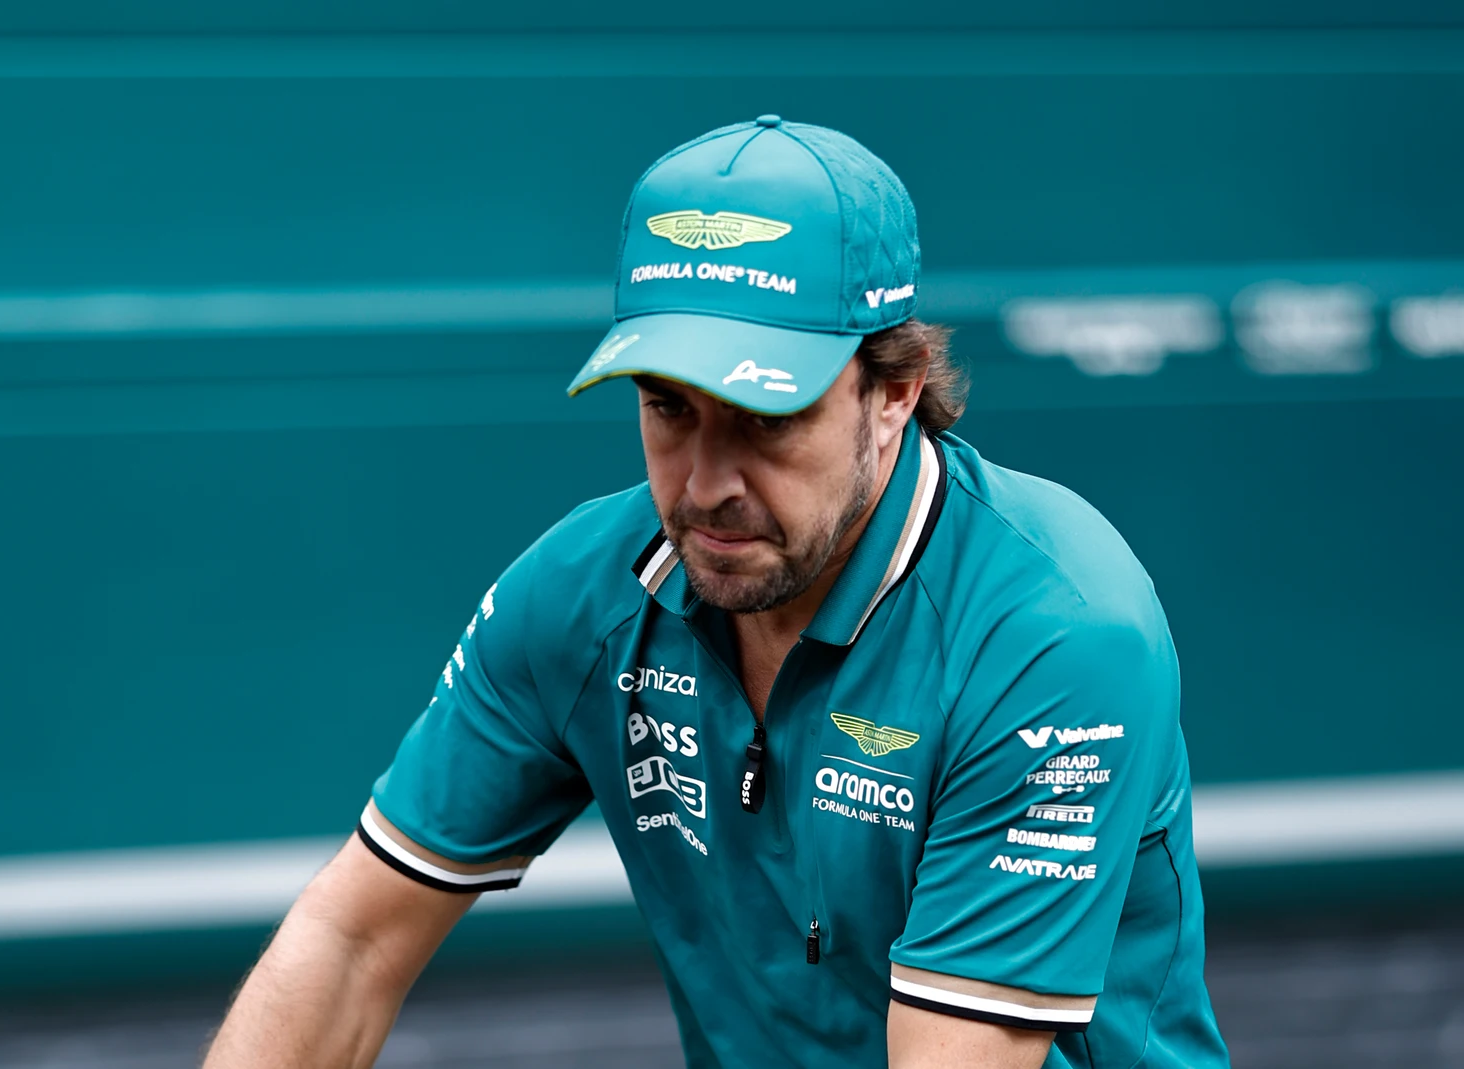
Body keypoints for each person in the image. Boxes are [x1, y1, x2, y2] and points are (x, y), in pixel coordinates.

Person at [204, 115, 1230, 1069]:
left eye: (765, 418)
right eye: (667, 408)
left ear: (894, 391)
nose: (703, 486)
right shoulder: (581, 593)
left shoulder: (1052, 634)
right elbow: (349, 940)